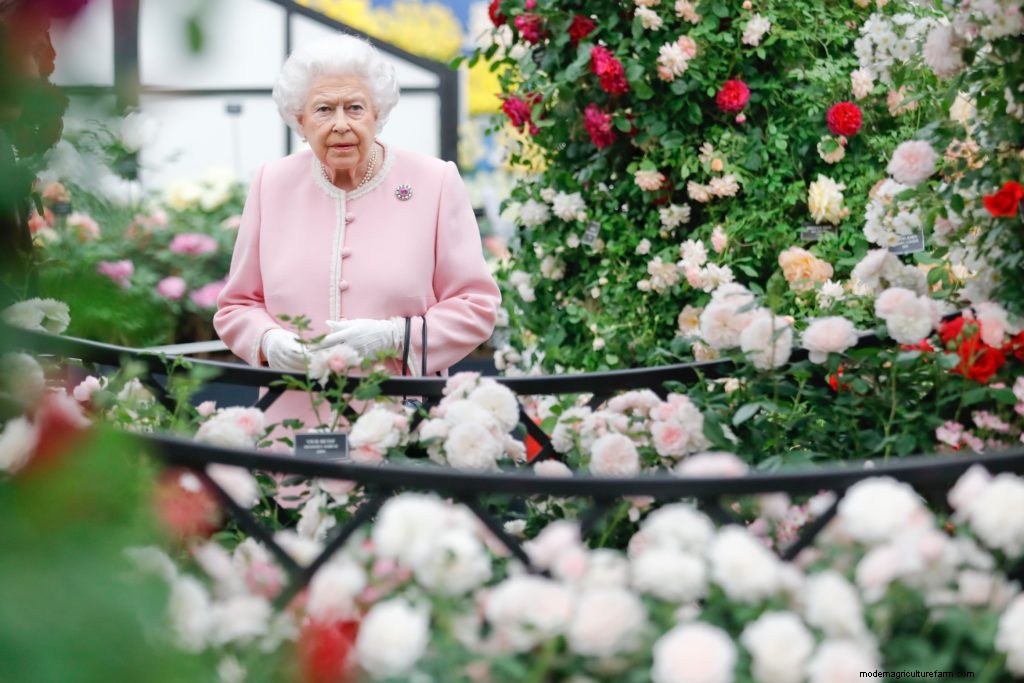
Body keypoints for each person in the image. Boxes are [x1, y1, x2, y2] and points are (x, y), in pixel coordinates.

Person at [214, 34, 501, 431]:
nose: (341, 124)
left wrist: (393, 336)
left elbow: (476, 306)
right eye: (323, 109)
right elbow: (237, 306)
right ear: (300, 120)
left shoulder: (434, 182)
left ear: (376, 113)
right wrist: (268, 342)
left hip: (400, 423)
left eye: (354, 107)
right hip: (292, 422)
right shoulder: (271, 184)